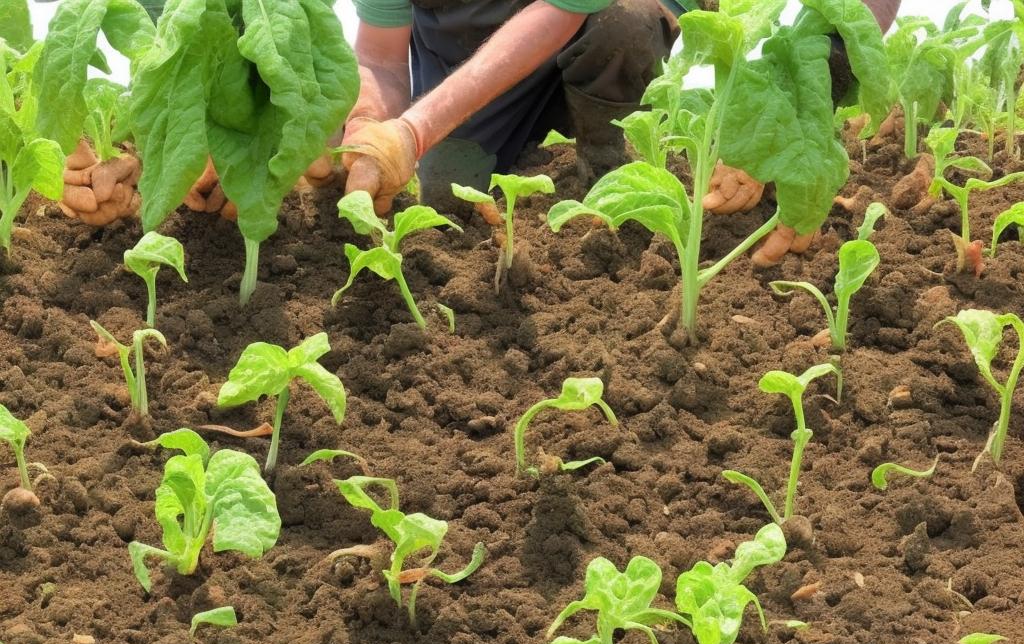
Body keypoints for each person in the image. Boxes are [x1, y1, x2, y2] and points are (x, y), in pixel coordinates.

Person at [61, 0, 901, 264]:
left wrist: (415, 126)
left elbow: (561, 10)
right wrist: (366, 121)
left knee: (623, 26)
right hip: (471, 73)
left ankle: (614, 182)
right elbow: (384, 56)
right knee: (434, 196)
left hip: (591, 33)